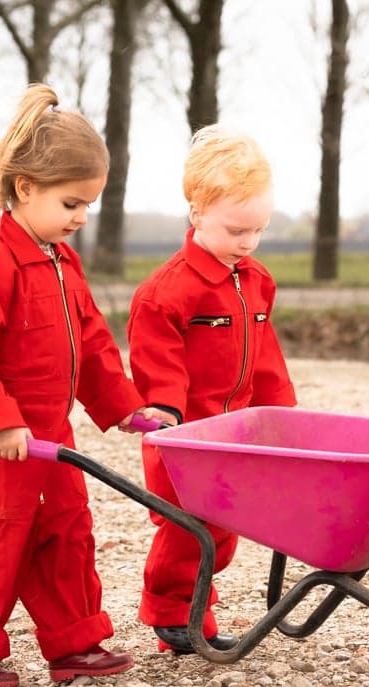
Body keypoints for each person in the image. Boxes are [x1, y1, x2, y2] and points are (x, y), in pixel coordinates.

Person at [0, 83, 146, 687]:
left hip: (52, 437)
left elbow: (94, 343)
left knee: (68, 531)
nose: (81, 218)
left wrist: (126, 408)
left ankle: (74, 642)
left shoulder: (64, 263)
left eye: (88, 206)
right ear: (26, 189)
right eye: (72, 203)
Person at [127, 124, 297, 654]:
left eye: (258, 230)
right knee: (189, 529)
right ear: (197, 212)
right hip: (186, 437)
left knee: (224, 530)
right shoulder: (168, 291)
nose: (247, 242)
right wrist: (165, 412)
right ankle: (171, 613)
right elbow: (159, 360)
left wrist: (280, 413)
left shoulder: (256, 280)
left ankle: (193, 609)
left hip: (237, 432)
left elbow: (265, 355)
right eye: (235, 230)